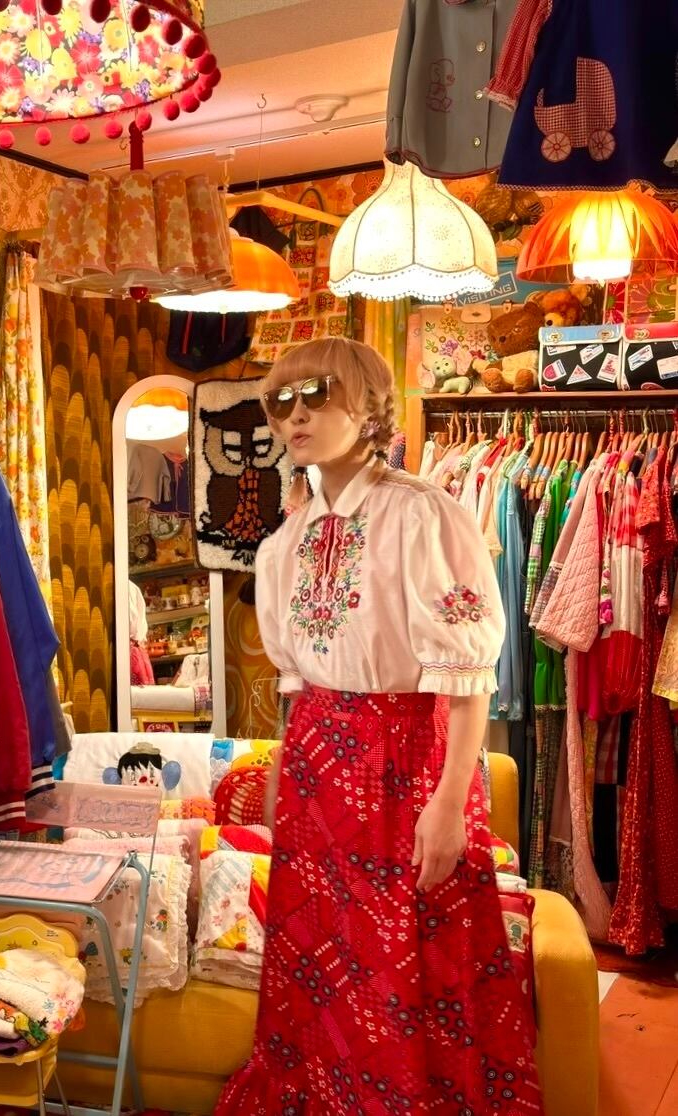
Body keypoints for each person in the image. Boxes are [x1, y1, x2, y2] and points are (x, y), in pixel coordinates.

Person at [216, 338, 542, 1115]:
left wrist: (448, 802)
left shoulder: (424, 515)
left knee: (410, 957)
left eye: (316, 395)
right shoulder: (288, 539)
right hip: (316, 770)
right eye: (280, 402)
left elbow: (469, 677)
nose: (295, 416)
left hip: (405, 762)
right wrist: (281, 776)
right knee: (319, 959)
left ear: (366, 408)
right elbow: (298, 684)